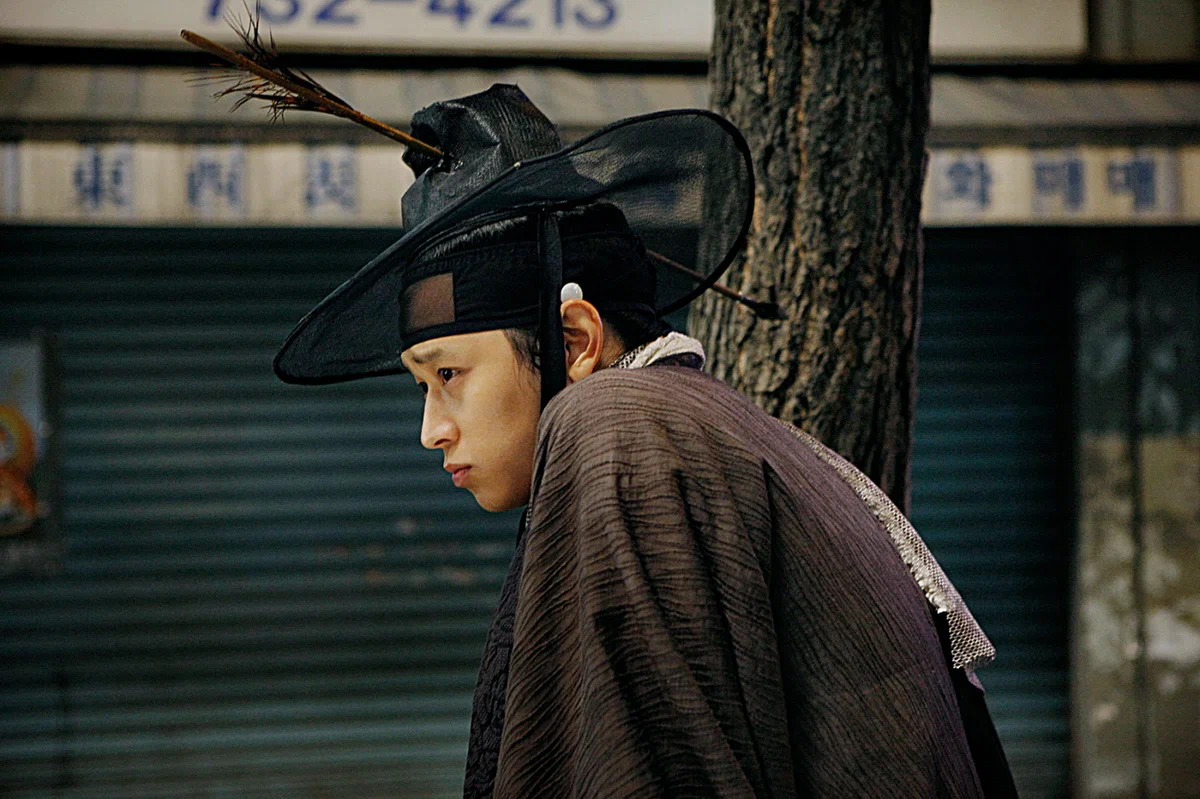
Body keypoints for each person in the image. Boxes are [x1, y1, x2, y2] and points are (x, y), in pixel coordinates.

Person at [271, 85, 1018, 797]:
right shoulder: (682, 420)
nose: (431, 429)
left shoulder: (621, 428)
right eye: (421, 387)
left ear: (574, 340)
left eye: (450, 374)